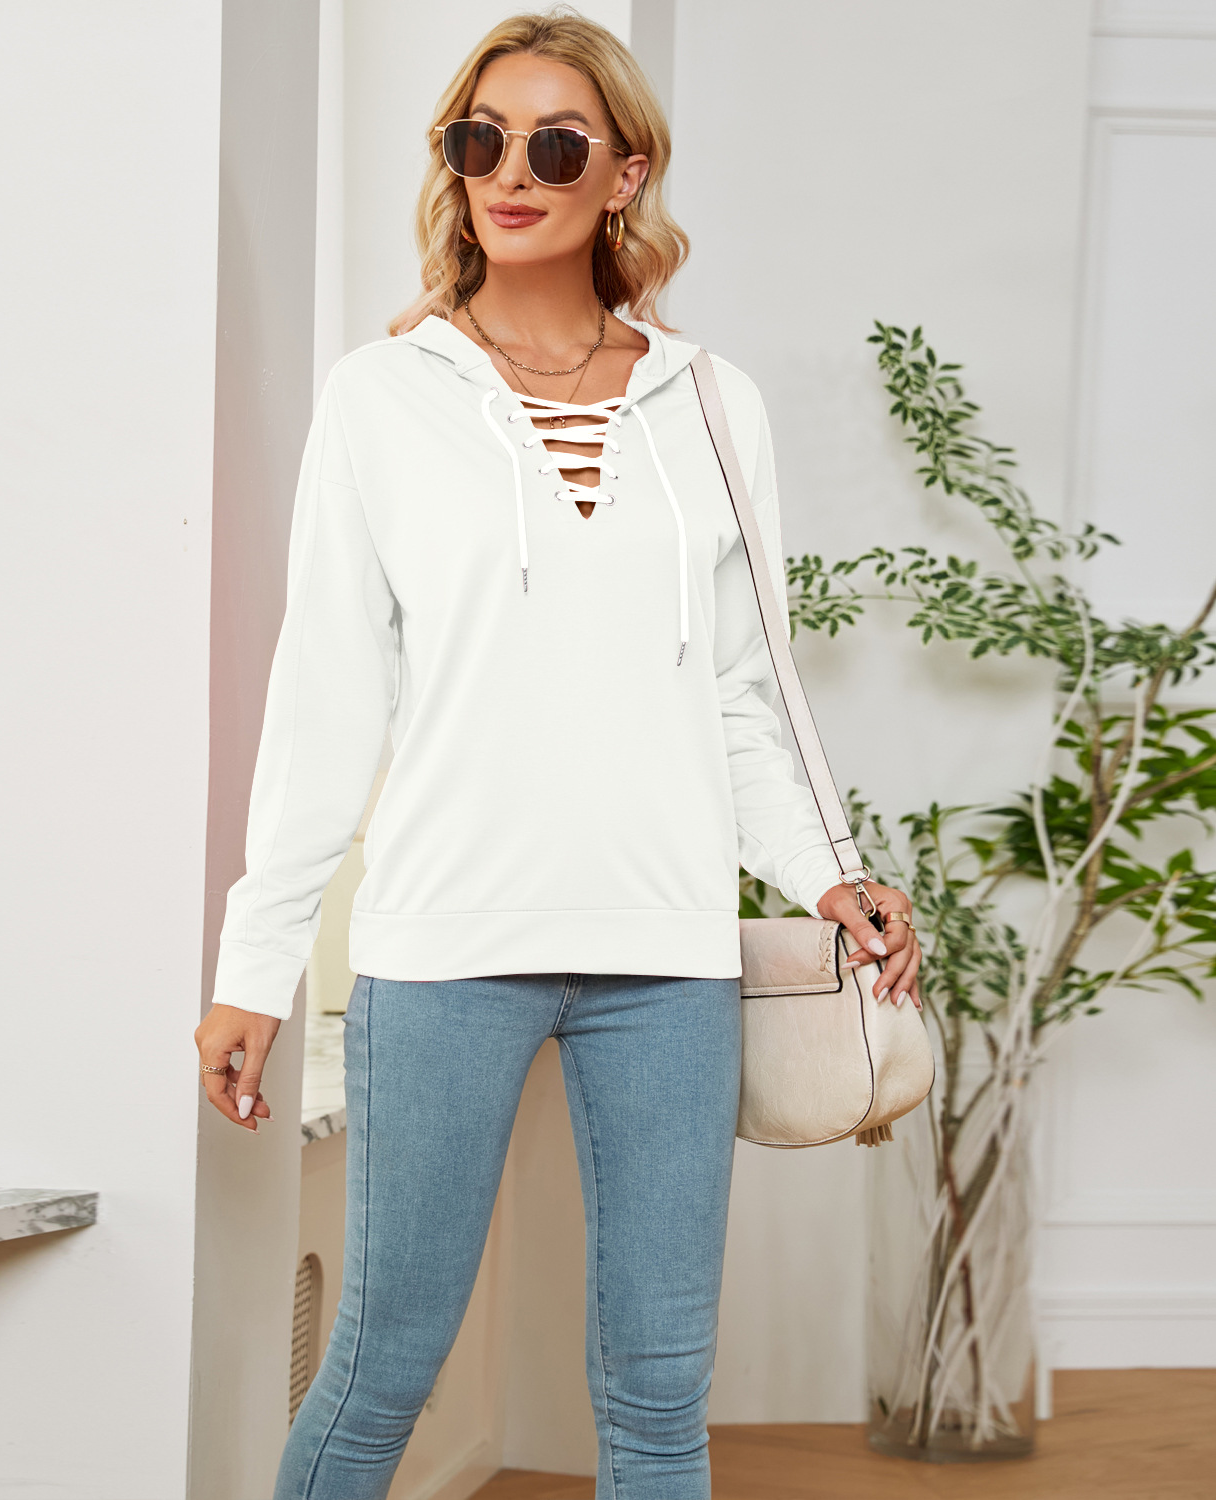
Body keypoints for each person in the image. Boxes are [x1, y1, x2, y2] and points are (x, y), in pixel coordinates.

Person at [197, 11, 923, 1497]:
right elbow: (326, 698)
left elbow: (744, 693)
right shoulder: (382, 398)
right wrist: (254, 966)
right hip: (445, 945)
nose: (510, 172)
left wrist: (831, 875)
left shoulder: (713, 404)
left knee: (658, 1398)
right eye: (480, 140)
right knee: (383, 1363)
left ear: (625, 172)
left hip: (668, 955)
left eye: (554, 143)